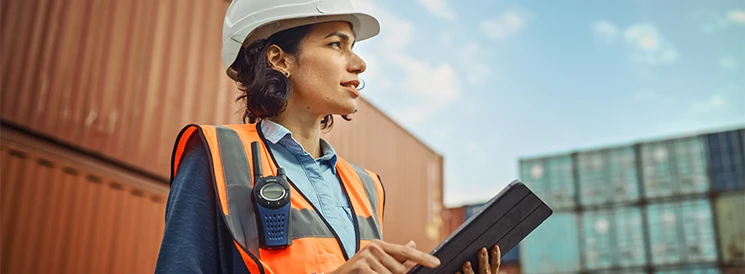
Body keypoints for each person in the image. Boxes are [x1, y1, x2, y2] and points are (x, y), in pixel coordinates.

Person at [154, 0, 500, 273]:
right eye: (337, 44)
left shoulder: (366, 186)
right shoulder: (217, 154)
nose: (360, 63)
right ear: (279, 59)